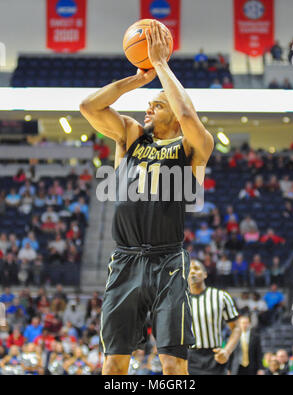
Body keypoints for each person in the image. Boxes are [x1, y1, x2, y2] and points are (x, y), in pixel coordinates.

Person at [80, 20, 214, 375]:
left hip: (168, 261)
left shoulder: (191, 145)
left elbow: (187, 114)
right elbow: (89, 107)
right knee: (114, 363)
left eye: (156, 104)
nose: (147, 109)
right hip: (124, 259)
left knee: (172, 363)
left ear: (172, 111)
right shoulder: (130, 135)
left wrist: (161, 65)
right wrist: (138, 79)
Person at [187, 260, 241, 375]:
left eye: (196, 269)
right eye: (188, 269)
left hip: (215, 356)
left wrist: (227, 351)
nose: (192, 272)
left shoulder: (221, 297)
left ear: (205, 274)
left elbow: (236, 327)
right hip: (189, 357)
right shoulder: (179, 300)